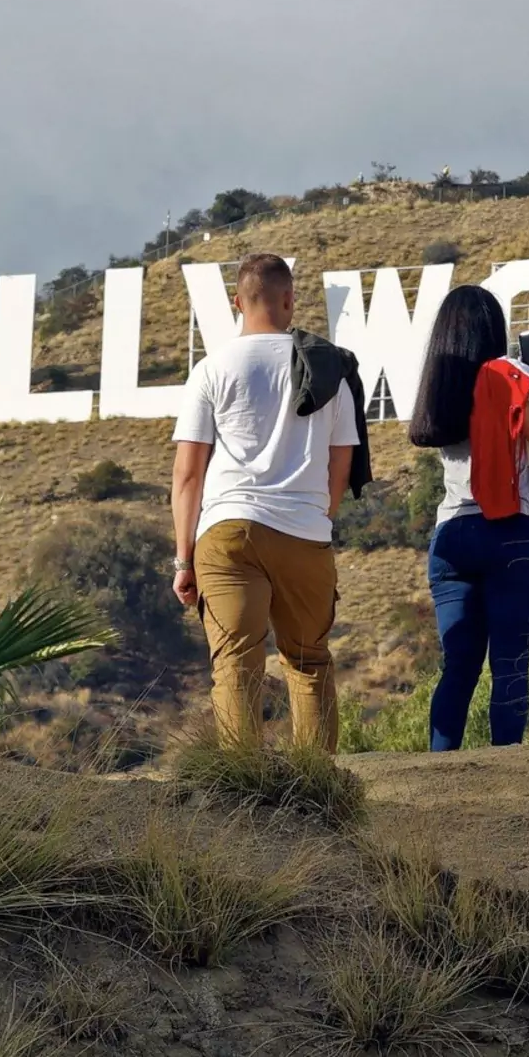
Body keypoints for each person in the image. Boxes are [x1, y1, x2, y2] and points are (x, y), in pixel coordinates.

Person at [170, 253, 366, 751]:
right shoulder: (328, 372)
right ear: (289, 299)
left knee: (236, 664)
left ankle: (243, 782)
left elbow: (188, 474)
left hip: (228, 531)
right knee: (309, 662)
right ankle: (316, 780)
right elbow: (340, 463)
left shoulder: (211, 370)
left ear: (237, 302)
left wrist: (184, 560)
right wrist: (318, 518)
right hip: (305, 532)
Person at [408, 285, 529, 751]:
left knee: (458, 668)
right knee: (510, 665)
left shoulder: (440, 387)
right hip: (510, 532)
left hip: (450, 538)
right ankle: (505, 774)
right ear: (493, 331)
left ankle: (437, 771)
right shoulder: (508, 381)